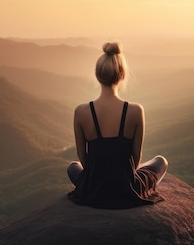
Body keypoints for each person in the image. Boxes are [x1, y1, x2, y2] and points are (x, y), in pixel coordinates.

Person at [67, 42, 168, 209]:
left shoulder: (81, 111)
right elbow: (136, 157)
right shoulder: (135, 110)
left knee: (72, 167)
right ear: (122, 75)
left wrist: (100, 178)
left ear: (97, 74)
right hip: (126, 187)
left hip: (93, 188)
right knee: (160, 161)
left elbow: (82, 157)